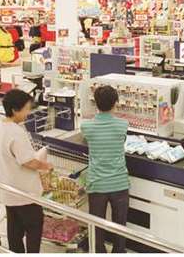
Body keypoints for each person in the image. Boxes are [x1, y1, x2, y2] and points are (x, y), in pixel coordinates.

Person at [0, 89, 53, 253]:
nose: (28, 112)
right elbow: (28, 162)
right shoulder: (16, 132)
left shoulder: (0, 126)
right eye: (26, 109)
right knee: (34, 228)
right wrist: (46, 166)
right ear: (14, 110)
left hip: (7, 188)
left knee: (14, 229)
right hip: (24, 192)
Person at [81, 85, 130, 253]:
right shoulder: (123, 125)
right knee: (120, 226)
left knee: (96, 225)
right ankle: (118, 251)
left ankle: (98, 251)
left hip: (97, 183)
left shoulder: (86, 127)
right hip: (119, 183)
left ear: (95, 103)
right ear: (116, 103)